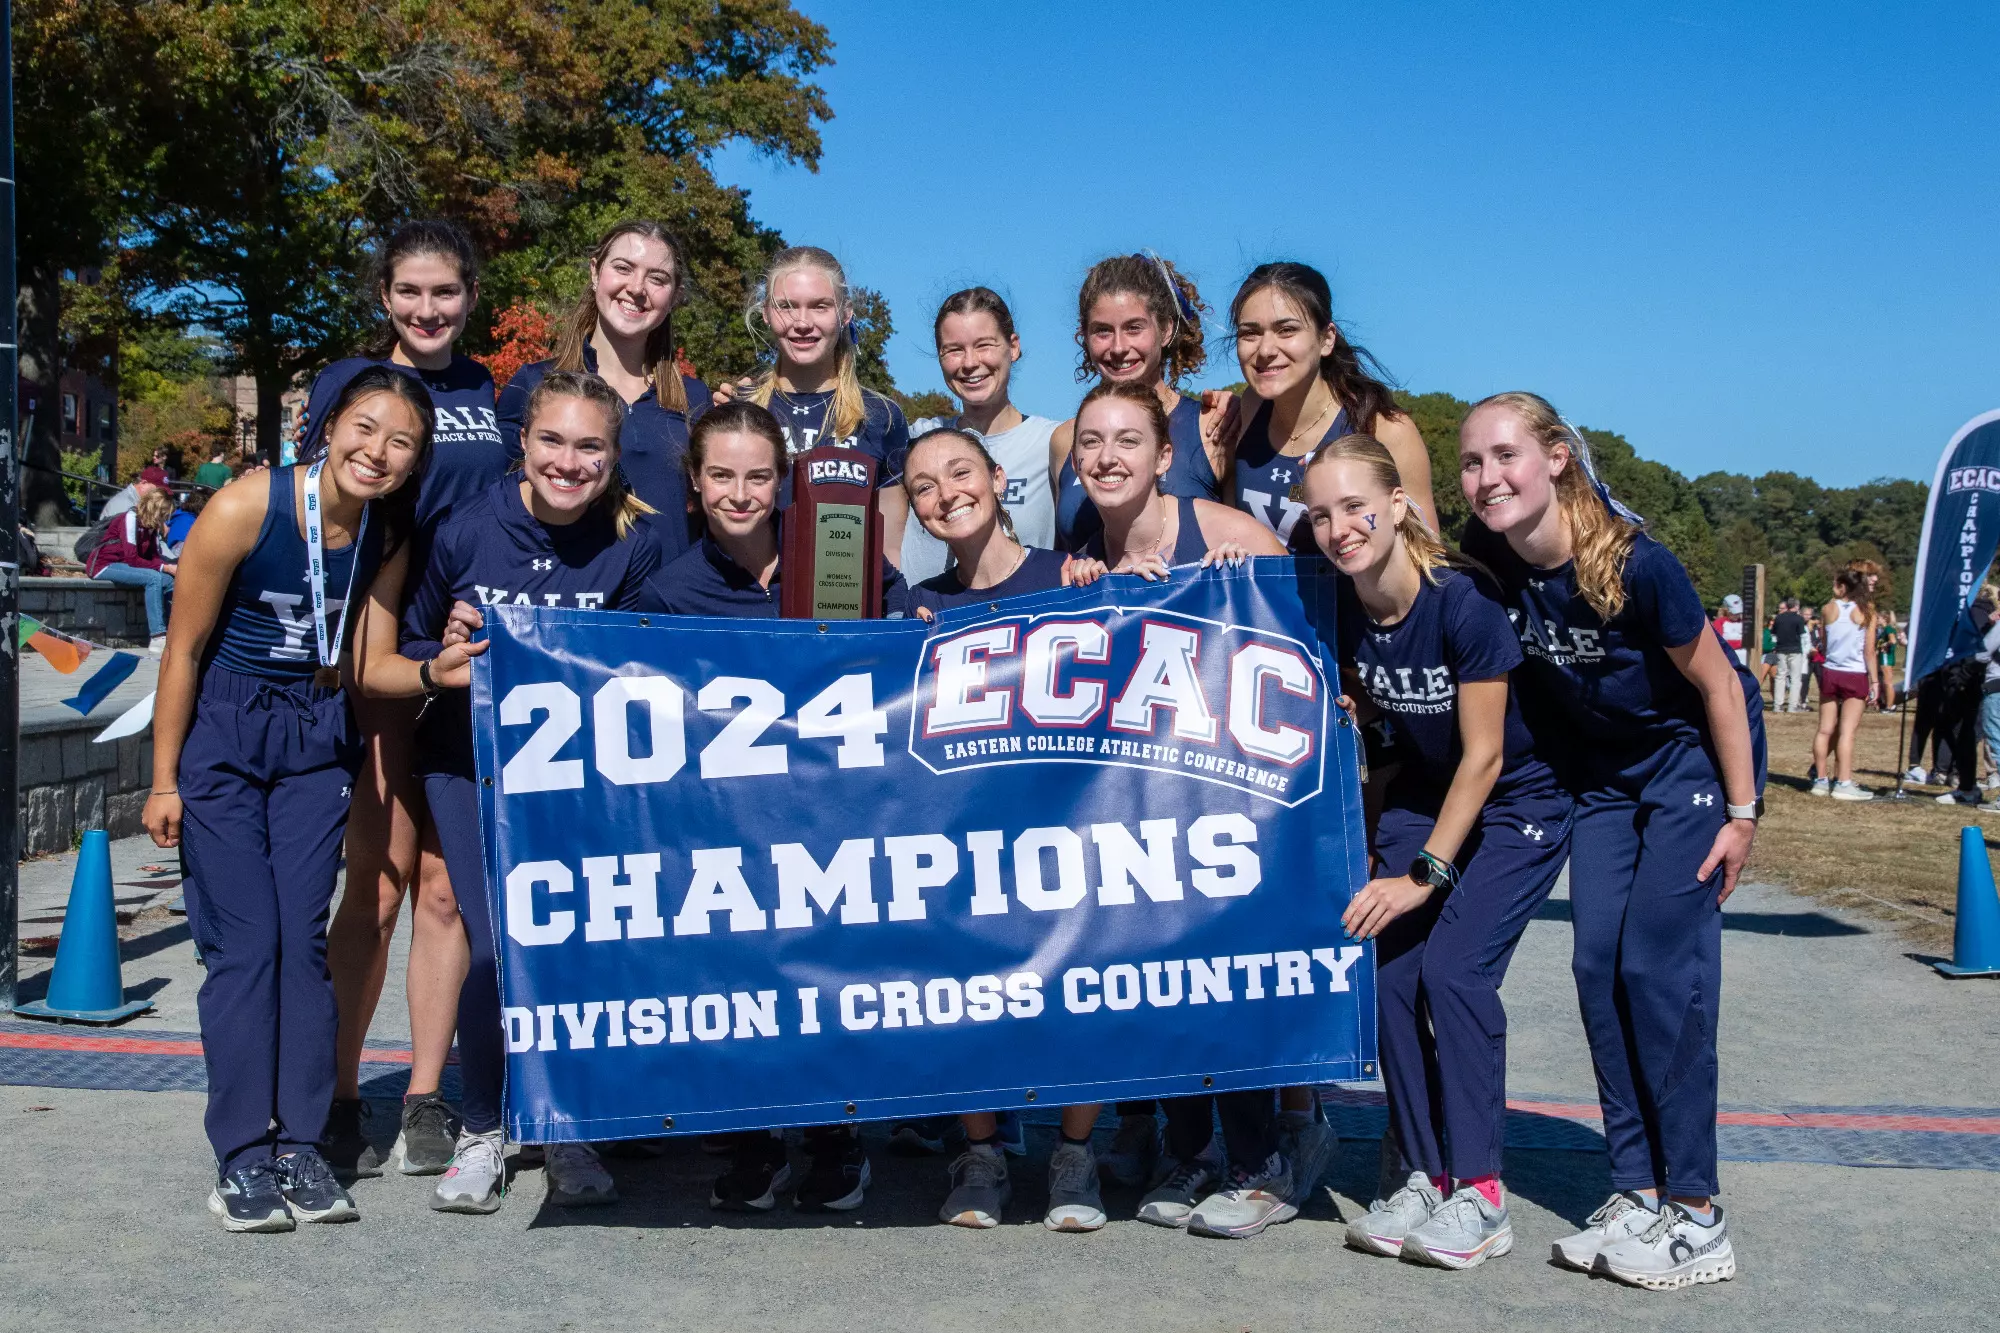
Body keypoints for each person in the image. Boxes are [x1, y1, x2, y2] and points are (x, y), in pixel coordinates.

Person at [1459, 391, 1761, 1291]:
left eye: (1505, 456)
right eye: (1472, 463)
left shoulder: (1637, 561)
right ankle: (1635, 1190)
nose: (1487, 478)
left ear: (1555, 456)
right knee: (1596, 969)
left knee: (1657, 974)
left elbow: (1717, 685)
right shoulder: (1488, 556)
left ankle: (1697, 1212)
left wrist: (1743, 813)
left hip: (1687, 770)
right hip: (1601, 781)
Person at [354, 370, 663, 1214]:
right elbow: (409, 640)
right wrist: (442, 647)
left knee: (568, 947)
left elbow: (641, 665)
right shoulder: (462, 528)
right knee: (493, 949)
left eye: (590, 445)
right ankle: (484, 1127)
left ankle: (566, 1124)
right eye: (553, 440)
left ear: (614, 455)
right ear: (521, 441)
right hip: (466, 762)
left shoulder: (633, 542)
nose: (570, 460)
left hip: (572, 776)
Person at [141, 365, 431, 1231]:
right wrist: (164, 779)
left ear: (415, 463)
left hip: (314, 736)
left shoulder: (387, 535)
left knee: (303, 941)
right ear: (329, 423)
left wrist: (436, 671)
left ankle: (299, 1145)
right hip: (226, 729)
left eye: (401, 443)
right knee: (248, 943)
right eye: (365, 428)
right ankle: (240, 1155)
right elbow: (182, 651)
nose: (376, 451)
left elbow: (368, 665)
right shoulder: (246, 505)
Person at [1294, 434, 1571, 1266]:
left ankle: (1481, 1193)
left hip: (1518, 800)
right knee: (1384, 971)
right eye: (1321, 514)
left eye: (1355, 507)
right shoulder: (1343, 604)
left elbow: (1485, 755)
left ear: (1398, 505)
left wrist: (1423, 876)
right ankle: (1420, 1170)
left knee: (1454, 973)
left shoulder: (1462, 603)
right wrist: (1361, 710)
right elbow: (1397, 713)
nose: (1340, 527)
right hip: (1428, 788)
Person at [648, 400, 903, 1213]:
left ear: (784, 483)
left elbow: (906, 636)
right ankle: (753, 1141)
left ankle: (835, 1140)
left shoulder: (844, 556)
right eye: (720, 474)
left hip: (831, 817)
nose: (739, 492)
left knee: (827, 982)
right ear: (694, 482)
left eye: (758, 475)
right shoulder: (668, 591)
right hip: (725, 829)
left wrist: (919, 624)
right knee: (741, 984)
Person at [1056, 376, 1292, 1224]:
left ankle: (1263, 1164)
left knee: (1225, 979)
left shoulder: (1226, 533)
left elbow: (1311, 650)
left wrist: (1232, 594)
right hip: (1139, 807)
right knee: (1158, 981)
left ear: (1164, 456)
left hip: (1233, 806)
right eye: (1091, 442)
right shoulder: (1084, 544)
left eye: (1126, 441)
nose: (1106, 456)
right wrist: (1094, 593)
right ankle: (1191, 1158)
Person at [309, 221, 513, 1183]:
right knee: (376, 886)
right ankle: (342, 1094)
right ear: (384, 295)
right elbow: (323, 516)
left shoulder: (493, 394)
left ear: (471, 295)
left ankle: (427, 1094)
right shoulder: (346, 384)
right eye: (409, 292)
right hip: (382, 654)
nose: (427, 310)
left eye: (445, 293)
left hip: (469, 660)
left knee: (445, 888)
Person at [497, 220, 712, 561]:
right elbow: (499, 508)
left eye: (657, 278)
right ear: (595, 272)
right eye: (623, 268)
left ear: (674, 295)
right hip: (569, 600)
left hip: (665, 605)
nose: (637, 288)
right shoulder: (534, 383)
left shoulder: (697, 400)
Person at [716, 246, 911, 562]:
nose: (802, 322)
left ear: (845, 314)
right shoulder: (737, 410)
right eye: (787, 307)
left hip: (843, 603)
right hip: (750, 601)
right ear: (766, 312)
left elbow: (890, 548)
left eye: (820, 306)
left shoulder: (882, 417)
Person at [1225, 262, 1437, 549]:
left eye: (1286, 330)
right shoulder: (1247, 408)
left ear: (1326, 339)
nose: (1265, 350)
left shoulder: (1385, 431)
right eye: (1250, 333)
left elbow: (1428, 558)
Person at [1048, 254, 1238, 555]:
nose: (1119, 347)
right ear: (1084, 335)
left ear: (1165, 330)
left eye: (1134, 328)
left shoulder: (1213, 426)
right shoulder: (1065, 441)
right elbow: (1063, 557)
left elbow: (1243, 551)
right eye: (1102, 331)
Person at [899, 288, 1060, 585]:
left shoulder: (1051, 441)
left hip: (1019, 624)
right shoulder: (914, 439)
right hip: (924, 624)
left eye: (984, 345)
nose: (970, 362)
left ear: (1013, 347)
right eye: (954, 350)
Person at [1809, 571, 1877, 800]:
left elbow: (1824, 643)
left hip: (1831, 670)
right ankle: (1843, 782)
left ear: (1842, 586)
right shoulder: (1867, 611)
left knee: (1824, 728)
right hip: (1854, 672)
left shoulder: (1828, 608)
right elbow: (1869, 651)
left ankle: (1820, 780)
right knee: (1847, 732)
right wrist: (1874, 681)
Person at [86, 487, 177, 652]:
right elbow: (132, 558)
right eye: (163, 513)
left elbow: (154, 556)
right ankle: (157, 637)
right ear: (153, 508)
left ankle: (174, 631)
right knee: (154, 578)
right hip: (105, 565)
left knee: (170, 581)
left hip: (128, 566)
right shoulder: (130, 518)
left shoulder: (152, 526)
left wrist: (167, 568)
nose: (165, 518)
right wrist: (165, 567)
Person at [1771, 597, 1809, 712]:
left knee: (1780, 676)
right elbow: (1803, 636)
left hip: (1781, 650)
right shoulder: (1799, 619)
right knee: (1795, 678)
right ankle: (1792, 706)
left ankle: (1778, 705)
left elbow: (1773, 635)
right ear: (1796, 606)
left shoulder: (1779, 618)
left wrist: (1776, 646)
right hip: (1795, 650)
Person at [1877, 609, 1904, 710]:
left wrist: (1885, 644)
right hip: (1884, 657)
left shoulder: (1888, 628)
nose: (1876, 620)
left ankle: (1890, 706)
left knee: (1888, 682)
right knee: (1885, 682)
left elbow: (1893, 641)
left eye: (1878, 618)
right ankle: (1887, 704)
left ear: (1884, 619)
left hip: (1886, 657)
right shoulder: (1885, 629)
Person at [1712, 594, 1746, 666]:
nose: (1736, 615)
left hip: (1744, 659)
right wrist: (1740, 643)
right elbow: (1719, 642)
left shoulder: (1744, 622)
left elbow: (1749, 641)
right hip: (1728, 659)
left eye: (1738, 613)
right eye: (1734, 613)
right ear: (1727, 610)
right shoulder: (1719, 622)